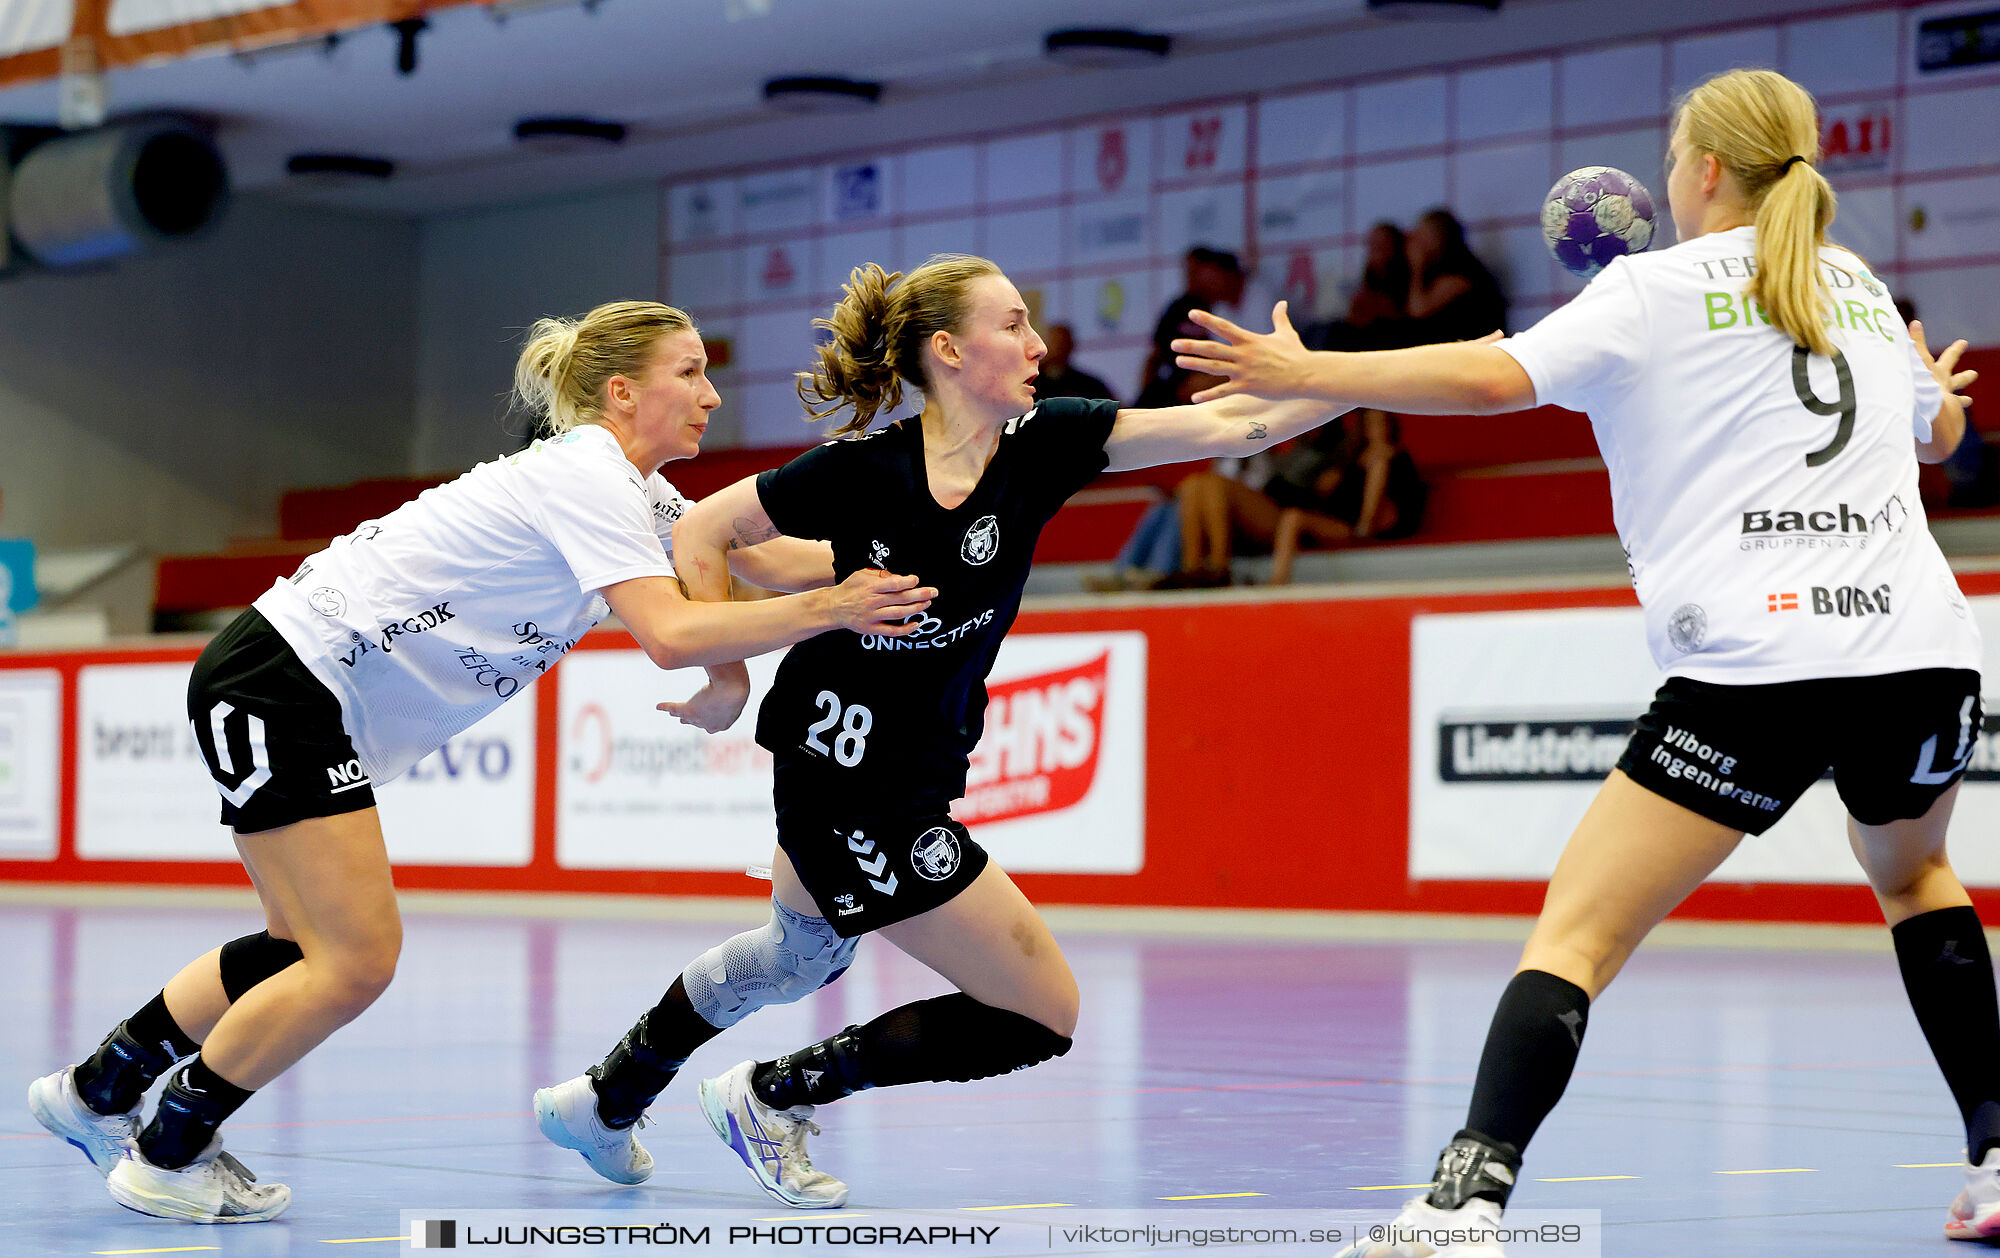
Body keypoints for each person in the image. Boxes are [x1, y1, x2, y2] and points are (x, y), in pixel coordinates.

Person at [1175, 68, 1990, 1255]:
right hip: (1919, 656)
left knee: (1573, 939)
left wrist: (1315, 371)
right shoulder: (1852, 282)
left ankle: (1463, 1203)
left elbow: (1490, 378)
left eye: (1672, 155)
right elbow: (1945, 432)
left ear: (1703, 170)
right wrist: (1940, 390)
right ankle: (1997, 1151)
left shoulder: (1648, 288)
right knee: (1915, 878)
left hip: (1758, 665)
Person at [27, 301, 935, 1224]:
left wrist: (931, 529)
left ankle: (98, 1089)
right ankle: (170, 1151)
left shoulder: (637, 493)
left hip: (282, 680)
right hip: (288, 680)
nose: (711, 394)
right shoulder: (587, 473)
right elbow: (670, 631)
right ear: (622, 391)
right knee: (353, 961)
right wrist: (832, 611)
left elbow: (775, 566)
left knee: (297, 945)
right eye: (690, 372)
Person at [533, 254, 1344, 1208]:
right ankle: (771, 1096)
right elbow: (706, 531)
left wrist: (1340, 377)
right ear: (950, 350)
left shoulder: (1047, 443)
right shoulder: (864, 471)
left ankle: (605, 1100)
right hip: (845, 778)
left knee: (800, 953)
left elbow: (1227, 423)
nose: (1038, 344)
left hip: (915, 766)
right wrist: (728, 674)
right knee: (1040, 1011)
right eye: (1013, 325)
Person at [1268, 409, 1426, 584]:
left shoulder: (1396, 458)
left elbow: (1405, 505)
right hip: (1342, 520)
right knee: (1292, 517)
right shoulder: (1352, 458)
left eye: (1381, 423)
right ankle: (1278, 580)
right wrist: (1336, 476)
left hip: (1371, 526)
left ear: (1390, 425)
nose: (1376, 429)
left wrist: (1365, 525)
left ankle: (1364, 529)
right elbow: (1328, 489)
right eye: (1370, 424)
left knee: (1379, 465)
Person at [1136, 246, 1246, 408]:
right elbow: (1154, 356)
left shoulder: (1225, 304)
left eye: (1197, 270)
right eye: (1188, 270)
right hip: (1172, 386)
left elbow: (1237, 362)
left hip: (1210, 383)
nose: (1190, 276)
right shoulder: (1179, 307)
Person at [1031, 323, 1116, 401]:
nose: (1058, 349)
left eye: (1062, 344)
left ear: (1071, 346)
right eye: (1054, 343)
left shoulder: (1089, 385)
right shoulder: (1029, 383)